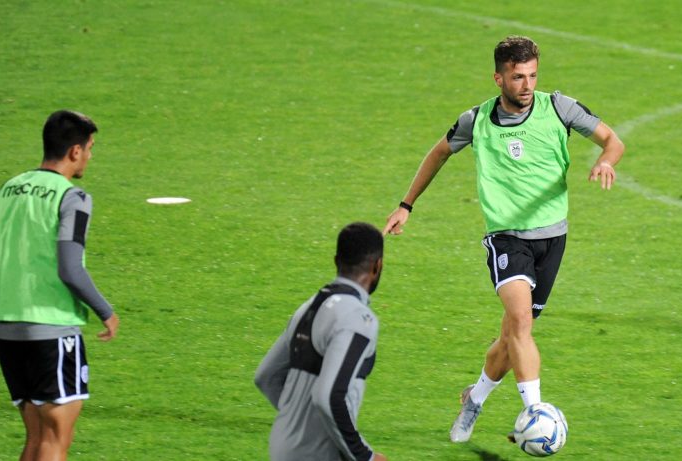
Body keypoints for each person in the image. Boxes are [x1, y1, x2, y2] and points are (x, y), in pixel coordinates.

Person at [383, 35, 625, 443]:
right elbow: (438, 153)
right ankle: (535, 414)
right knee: (520, 323)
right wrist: (406, 205)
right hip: (507, 238)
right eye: (517, 77)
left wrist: (606, 161)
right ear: (499, 78)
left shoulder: (559, 108)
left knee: (511, 339)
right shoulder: (475, 121)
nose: (527, 85)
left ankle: (474, 398)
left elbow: (613, 141)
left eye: (532, 75)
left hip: (553, 237)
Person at [0, 110, 120, 460]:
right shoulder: (73, 198)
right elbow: (70, 269)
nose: (90, 156)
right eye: (90, 148)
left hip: (7, 331)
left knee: (35, 438)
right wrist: (106, 312)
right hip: (52, 330)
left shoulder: (2, 194)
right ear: (75, 151)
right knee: (55, 439)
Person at [255, 222, 388, 461]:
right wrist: (365, 456)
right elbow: (329, 396)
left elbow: (266, 376)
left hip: (283, 448)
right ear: (377, 266)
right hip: (318, 453)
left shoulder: (307, 308)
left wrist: (298, 424)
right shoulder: (358, 318)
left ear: (336, 261)